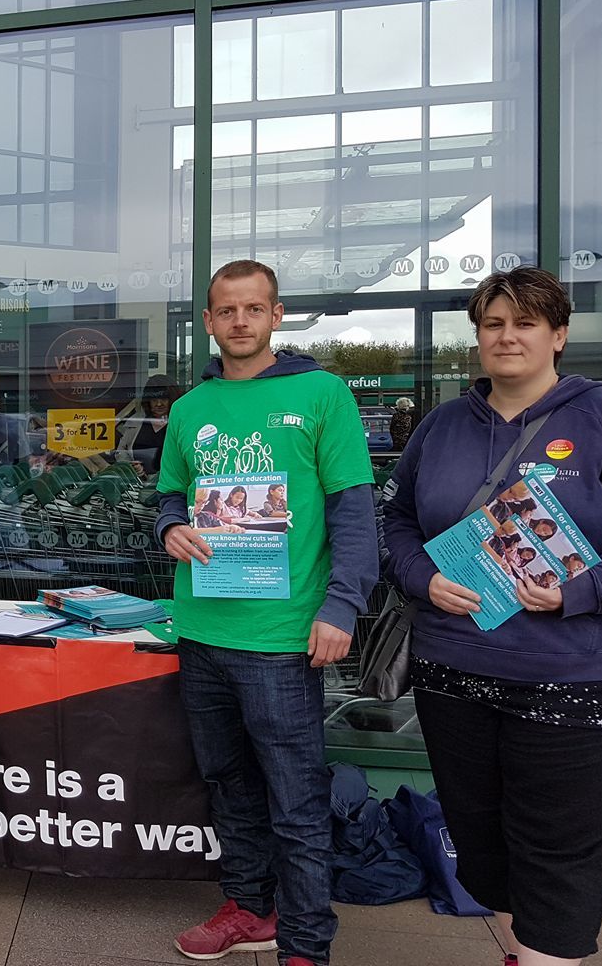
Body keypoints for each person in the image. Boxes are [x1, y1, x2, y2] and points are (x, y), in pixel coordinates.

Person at [381, 266, 602, 966]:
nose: (506, 336)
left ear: (559, 335)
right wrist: (423, 577)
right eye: (492, 324)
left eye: (524, 323)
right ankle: (522, 952)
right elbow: (394, 521)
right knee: (484, 847)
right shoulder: (443, 424)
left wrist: (578, 592)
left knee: (557, 857)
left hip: (568, 678)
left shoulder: (601, 416)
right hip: (453, 673)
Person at [155, 260, 378, 966]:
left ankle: (305, 944)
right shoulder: (191, 409)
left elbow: (355, 514)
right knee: (227, 784)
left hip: (283, 638)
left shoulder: (321, 394)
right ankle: (249, 907)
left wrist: (342, 605)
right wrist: (168, 529)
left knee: (297, 801)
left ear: (276, 315)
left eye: (255, 308)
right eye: (228, 310)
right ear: (211, 321)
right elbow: (169, 497)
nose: (241, 321)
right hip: (202, 630)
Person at [129, 374, 179, 477]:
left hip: (171, 484)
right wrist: (132, 467)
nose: (159, 404)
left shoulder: (179, 422)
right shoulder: (135, 421)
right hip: (137, 486)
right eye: (154, 399)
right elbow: (121, 452)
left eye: (164, 399)